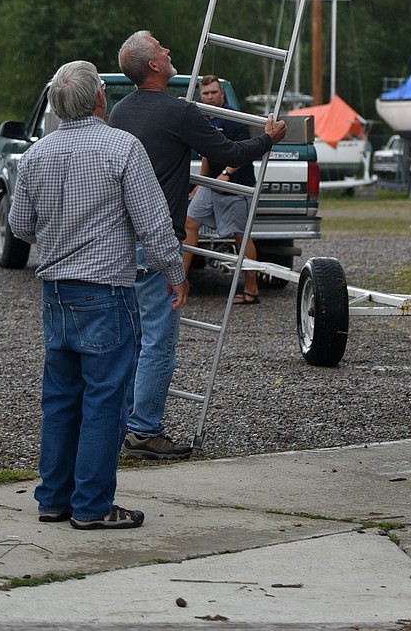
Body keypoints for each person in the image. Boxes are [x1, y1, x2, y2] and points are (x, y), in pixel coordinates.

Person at [8, 60, 187, 530]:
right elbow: (152, 222)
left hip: (55, 293)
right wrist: (175, 271)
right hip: (106, 290)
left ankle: (53, 498)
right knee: (105, 401)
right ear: (100, 98)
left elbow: (20, 226)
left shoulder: (36, 155)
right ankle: (91, 506)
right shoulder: (121, 147)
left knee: (61, 398)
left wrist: (60, 232)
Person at [110, 31, 286, 459]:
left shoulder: (119, 112)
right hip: (156, 240)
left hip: (119, 239)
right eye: (161, 48)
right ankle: (143, 431)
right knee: (158, 340)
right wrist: (269, 138)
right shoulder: (178, 112)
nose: (169, 51)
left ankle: (123, 422)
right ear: (153, 66)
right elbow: (231, 152)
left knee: (130, 337)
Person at [182, 74, 261, 306]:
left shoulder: (235, 120)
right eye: (205, 93)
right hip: (212, 184)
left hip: (236, 186)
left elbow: (243, 151)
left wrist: (227, 173)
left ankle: (251, 289)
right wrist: (201, 183)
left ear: (222, 94)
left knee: (241, 235)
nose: (209, 97)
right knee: (190, 222)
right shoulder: (203, 119)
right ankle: (179, 282)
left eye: (213, 92)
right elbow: (207, 154)